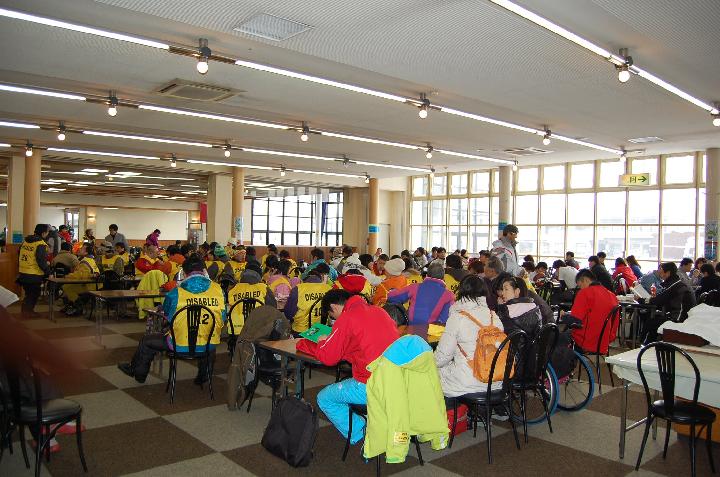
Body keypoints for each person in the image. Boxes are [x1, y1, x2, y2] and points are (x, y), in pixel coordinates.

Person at [118, 255, 226, 384]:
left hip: (179, 344)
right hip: (208, 344)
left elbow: (167, 314)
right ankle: (203, 377)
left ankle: (138, 373)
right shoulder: (219, 290)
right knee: (208, 341)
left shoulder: (176, 292)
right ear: (204, 271)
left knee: (146, 341)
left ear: (184, 273)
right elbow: (222, 318)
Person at [312, 289, 400, 445]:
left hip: (371, 385)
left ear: (334, 307)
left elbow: (328, 358)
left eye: (332, 316)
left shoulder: (347, 318)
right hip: (398, 380)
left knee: (324, 398)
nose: (334, 320)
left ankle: (360, 432)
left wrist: (322, 341)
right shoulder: (379, 311)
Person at [434, 275, 499, 396]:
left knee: (433, 372)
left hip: (468, 383)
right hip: (496, 379)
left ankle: (448, 407)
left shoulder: (458, 317)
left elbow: (442, 357)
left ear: (461, 290)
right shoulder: (493, 316)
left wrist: (428, 361)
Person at [567, 269, 619, 355]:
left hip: (587, 341)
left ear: (586, 280)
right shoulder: (612, 295)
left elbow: (575, 320)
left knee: (559, 337)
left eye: (580, 285)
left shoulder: (584, 293)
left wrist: (563, 316)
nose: (580, 288)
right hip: (604, 341)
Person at [386, 262, 455, 325]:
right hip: (433, 332)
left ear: (427, 275)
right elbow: (444, 319)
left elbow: (391, 296)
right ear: (443, 278)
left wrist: (393, 290)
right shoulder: (449, 295)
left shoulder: (414, 287)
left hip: (410, 328)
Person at [285, 263, 333, 333]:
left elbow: (288, 314)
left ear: (304, 279)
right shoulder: (329, 288)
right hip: (322, 330)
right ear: (321, 278)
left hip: (301, 332)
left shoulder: (298, 289)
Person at [494, 274, 542, 342]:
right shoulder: (534, 305)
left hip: (512, 347)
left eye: (506, 289)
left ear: (517, 292)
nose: (502, 293)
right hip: (533, 346)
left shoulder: (507, 310)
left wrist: (500, 307)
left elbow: (496, 328)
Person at [17, 224, 51, 316]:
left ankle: (25, 311)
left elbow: (19, 254)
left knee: (29, 293)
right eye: (47, 232)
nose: (48, 234)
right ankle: (28, 312)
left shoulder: (25, 241)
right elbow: (41, 261)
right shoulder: (40, 244)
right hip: (33, 273)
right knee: (33, 294)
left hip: (23, 271)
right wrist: (48, 272)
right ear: (43, 233)